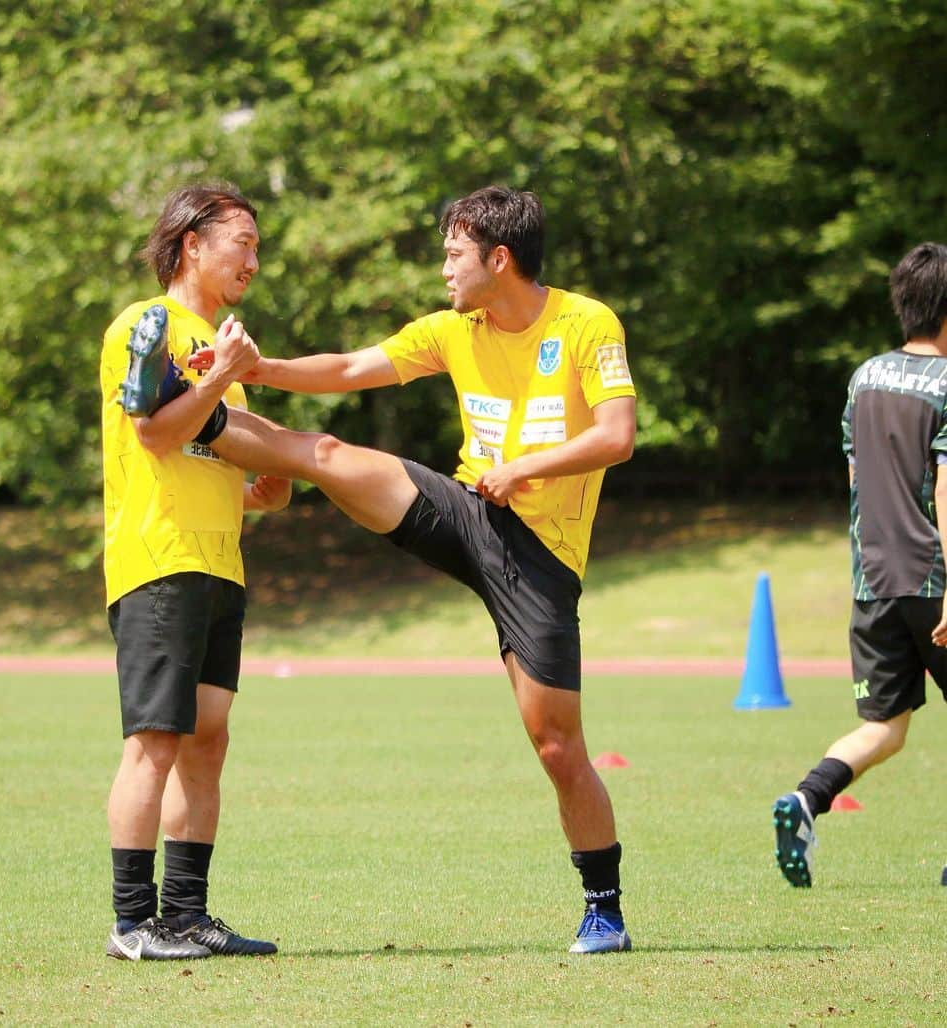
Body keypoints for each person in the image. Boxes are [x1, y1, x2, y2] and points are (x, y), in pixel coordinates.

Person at [174, 185, 637, 953]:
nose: (444, 269)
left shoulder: (588, 324)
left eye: (455, 254)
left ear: (500, 257)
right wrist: (256, 367)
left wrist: (528, 467)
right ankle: (207, 419)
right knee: (325, 455)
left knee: (557, 746)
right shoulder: (456, 327)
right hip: (466, 513)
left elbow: (617, 435)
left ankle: (604, 909)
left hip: (541, 559)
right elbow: (354, 367)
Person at [99, 183, 291, 960]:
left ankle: (186, 915)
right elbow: (152, 436)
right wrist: (221, 378)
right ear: (191, 244)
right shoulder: (146, 327)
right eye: (240, 239)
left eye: (256, 244)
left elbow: (204, 456)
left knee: (207, 741)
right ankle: (132, 923)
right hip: (160, 561)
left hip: (219, 566)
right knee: (155, 741)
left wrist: (263, 491)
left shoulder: (222, 352)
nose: (252, 256)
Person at [773, 241, 947, 888]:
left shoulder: (865, 377)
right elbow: (944, 489)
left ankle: (806, 798)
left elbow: (858, 478)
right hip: (934, 577)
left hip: (873, 581)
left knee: (884, 727)